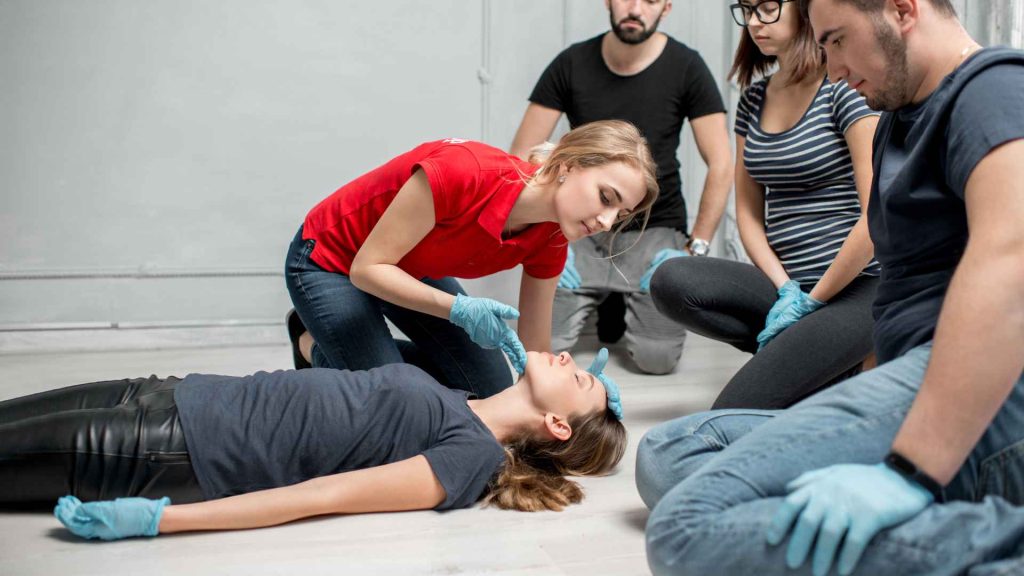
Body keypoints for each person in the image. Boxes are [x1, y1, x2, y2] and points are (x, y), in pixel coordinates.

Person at [636, 0, 1024, 574]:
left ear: (901, 10)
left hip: (967, 378)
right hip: (905, 371)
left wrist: (908, 469)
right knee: (668, 454)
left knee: (683, 530)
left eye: (838, 40)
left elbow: (1011, 262)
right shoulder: (896, 117)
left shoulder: (991, 89)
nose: (832, 67)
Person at [0, 349, 627, 540]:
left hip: (175, 450)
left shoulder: (473, 456)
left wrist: (158, 520)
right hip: (171, 393)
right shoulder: (458, 396)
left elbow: (321, 496)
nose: (569, 358)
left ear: (559, 427)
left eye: (579, 380)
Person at [284, 121, 658, 400]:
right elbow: (367, 269)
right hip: (330, 259)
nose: (607, 222)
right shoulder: (463, 171)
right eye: (606, 198)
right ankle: (311, 342)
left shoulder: (554, 234)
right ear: (567, 166)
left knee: (490, 388)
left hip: (406, 266)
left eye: (620, 214)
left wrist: (574, 393)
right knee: (397, 398)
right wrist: (458, 309)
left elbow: (534, 346)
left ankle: (359, 352)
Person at [648, 0, 880, 409]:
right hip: (787, 285)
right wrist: (787, 288)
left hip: (857, 287)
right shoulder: (754, 98)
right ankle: (820, 365)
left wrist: (814, 300)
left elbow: (875, 216)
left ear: (806, 11)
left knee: (728, 412)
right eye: (747, 9)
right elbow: (749, 215)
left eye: (768, 8)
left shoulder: (844, 87)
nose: (754, 22)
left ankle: (824, 360)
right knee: (671, 281)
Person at [509, 0, 733, 375]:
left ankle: (619, 303)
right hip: (580, 225)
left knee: (656, 360)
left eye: (649, 0)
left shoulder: (687, 66)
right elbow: (520, 156)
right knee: (541, 348)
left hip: (654, 228)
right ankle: (604, 299)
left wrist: (694, 250)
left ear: (666, 7)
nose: (635, 8)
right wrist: (537, 237)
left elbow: (722, 165)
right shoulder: (572, 63)